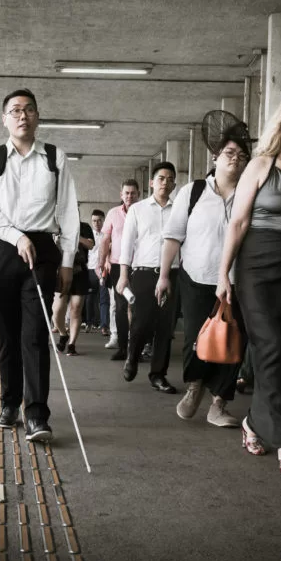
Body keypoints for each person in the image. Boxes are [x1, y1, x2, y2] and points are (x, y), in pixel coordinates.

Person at [216, 94, 281, 480]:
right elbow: (238, 223)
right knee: (271, 345)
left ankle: (254, 423)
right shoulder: (262, 165)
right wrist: (223, 274)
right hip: (258, 265)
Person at [0, 88, 79, 443]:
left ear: (37, 117)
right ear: (4, 119)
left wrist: (67, 261)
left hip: (42, 251)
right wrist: (17, 237)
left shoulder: (54, 157)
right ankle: (9, 402)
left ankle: (36, 414)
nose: (23, 115)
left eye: (29, 109)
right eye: (15, 110)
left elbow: (68, 211)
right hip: (3, 249)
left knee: (35, 334)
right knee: (7, 335)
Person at [158, 129, 250, 428]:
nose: (235, 159)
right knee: (196, 339)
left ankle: (219, 404)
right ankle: (194, 386)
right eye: (229, 153)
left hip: (237, 281)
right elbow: (173, 236)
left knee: (232, 341)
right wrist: (163, 275)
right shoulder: (193, 191)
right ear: (215, 157)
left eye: (242, 156)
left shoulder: (250, 193)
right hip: (197, 277)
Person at [117, 162, 179, 394]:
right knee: (141, 322)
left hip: (172, 274)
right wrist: (123, 275)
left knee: (165, 327)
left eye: (170, 179)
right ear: (152, 182)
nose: (165, 183)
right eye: (161, 178)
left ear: (174, 184)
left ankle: (158, 375)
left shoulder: (179, 210)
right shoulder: (138, 209)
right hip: (144, 273)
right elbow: (127, 244)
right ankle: (132, 356)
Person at [98, 180, 140, 358]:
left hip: (139, 265)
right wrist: (101, 263)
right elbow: (105, 240)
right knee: (121, 306)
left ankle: (137, 348)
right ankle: (123, 348)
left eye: (133, 193)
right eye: (126, 193)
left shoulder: (144, 211)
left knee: (137, 306)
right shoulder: (113, 213)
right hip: (117, 265)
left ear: (138, 194)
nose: (129, 196)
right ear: (121, 195)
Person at [52, 220, 95, 356]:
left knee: (76, 309)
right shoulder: (56, 226)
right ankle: (63, 334)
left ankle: (72, 344)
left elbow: (90, 245)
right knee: (57, 310)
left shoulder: (84, 227)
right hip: (61, 270)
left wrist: (75, 236)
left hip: (79, 270)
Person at [85, 209, 108, 335]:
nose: (97, 223)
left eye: (99, 220)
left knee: (104, 299)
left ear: (103, 221)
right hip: (90, 269)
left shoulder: (107, 235)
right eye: (94, 221)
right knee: (89, 298)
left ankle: (104, 326)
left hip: (104, 270)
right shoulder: (89, 235)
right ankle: (89, 323)